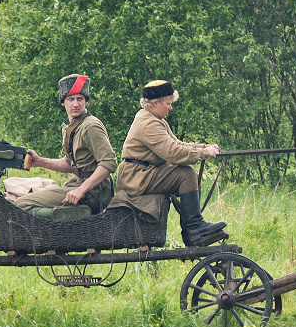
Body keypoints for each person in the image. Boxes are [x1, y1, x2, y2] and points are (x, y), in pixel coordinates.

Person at [113, 79, 226, 246]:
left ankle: (195, 227)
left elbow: (177, 144)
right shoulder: (149, 123)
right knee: (186, 175)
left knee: (191, 176)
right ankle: (193, 229)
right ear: (155, 103)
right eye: (168, 103)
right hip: (136, 178)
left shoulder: (154, 118)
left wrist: (205, 148)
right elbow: (173, 153)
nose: (170, 108)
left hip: (142, 174)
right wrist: (203, 153)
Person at [15, 74, 117, 217]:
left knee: (21, 205)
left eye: (80, 99)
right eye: (71, 99)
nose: (75, 104)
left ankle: (67, 219)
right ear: (63, 102)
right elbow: (70, 164)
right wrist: (40, 162)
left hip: (93, 192)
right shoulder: (73, 126)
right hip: (77, 184)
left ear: (86, 101)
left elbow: (109, 163)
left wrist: (81, 190)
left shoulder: (90, 126)